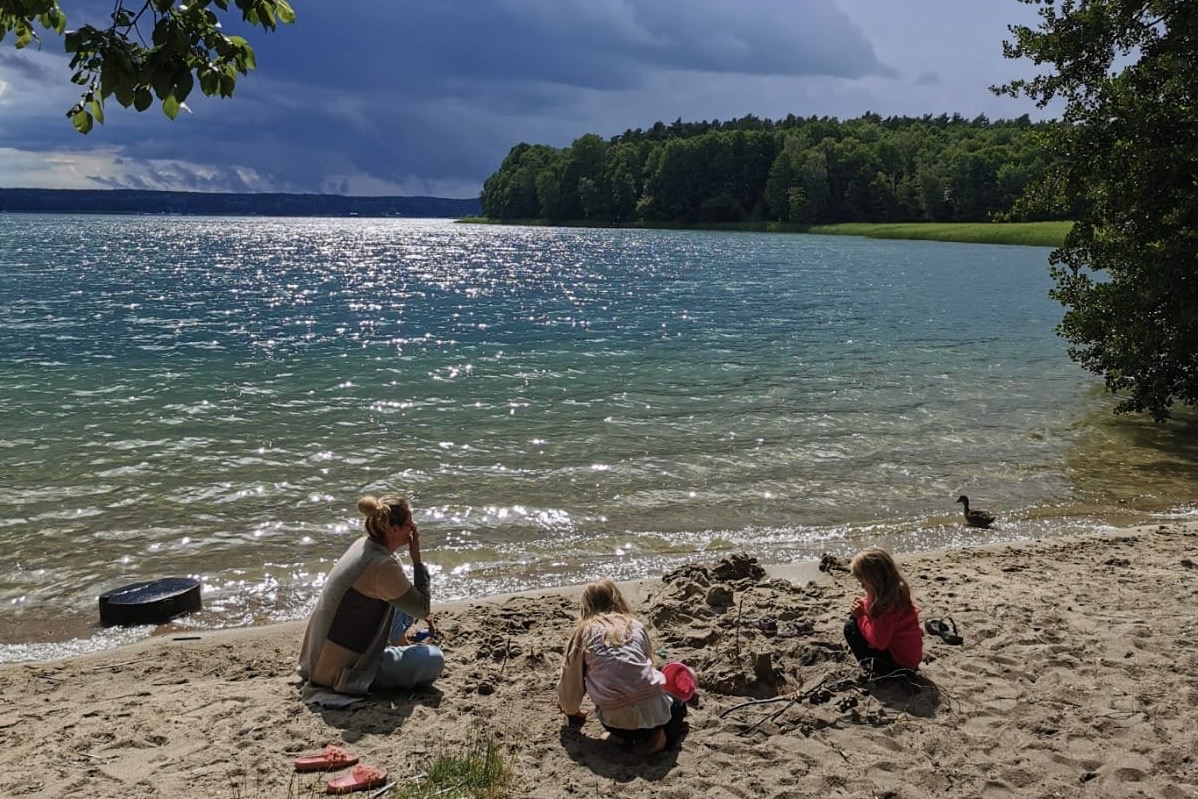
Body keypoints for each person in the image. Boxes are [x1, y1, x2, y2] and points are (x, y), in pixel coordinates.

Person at [298, 493, 444, 695]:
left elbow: (407, 598)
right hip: (338, 673)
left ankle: (398, 642)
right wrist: (417, 560)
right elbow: (422, 609)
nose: (414, 527)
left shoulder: (364, 545)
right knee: (434, 659)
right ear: (394, 529)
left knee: (402, 593)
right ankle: (396, 652)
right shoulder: (382, 565)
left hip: (314, 660)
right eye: (409, 523)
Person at [557, 580, 687, 755]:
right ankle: (659, 736)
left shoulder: (583, 632)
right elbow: (646, 667)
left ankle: (623, 738)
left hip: (615, 721)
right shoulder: (635, 625)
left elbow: (570, 683)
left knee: (621, 712)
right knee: (678, 706)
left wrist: (572, 711)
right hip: (655, 713)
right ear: (617, 600)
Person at [842, 547, 923, 677]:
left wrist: (861, 617)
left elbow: (879, 642)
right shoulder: (896, 591)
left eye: (863, 582)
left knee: (850, 627)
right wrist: (864, 604)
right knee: (856, 622)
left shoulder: (885, 606)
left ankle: (876, 671)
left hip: (899, 666)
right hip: (910, 659)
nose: (861, 586)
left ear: (875, 580)